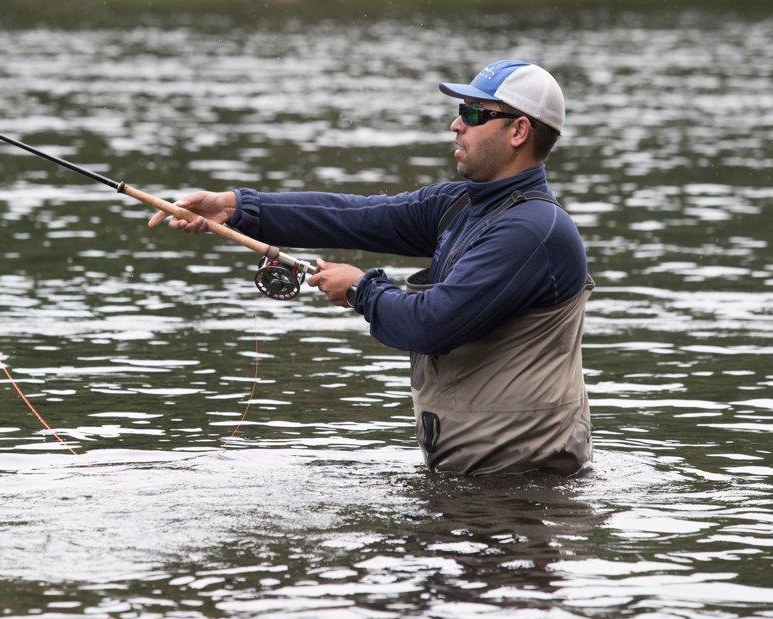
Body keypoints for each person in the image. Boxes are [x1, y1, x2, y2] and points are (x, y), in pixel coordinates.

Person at [148, 60, 593, 476]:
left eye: (473, 114)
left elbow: (432, 323)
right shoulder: (462, 205)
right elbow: (352, 216)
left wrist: (362, 289)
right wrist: (235, 207)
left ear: (518, 131)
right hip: (475, 476)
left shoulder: (532, 230)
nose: (456, 124)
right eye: (461, 110)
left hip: (524, 486)